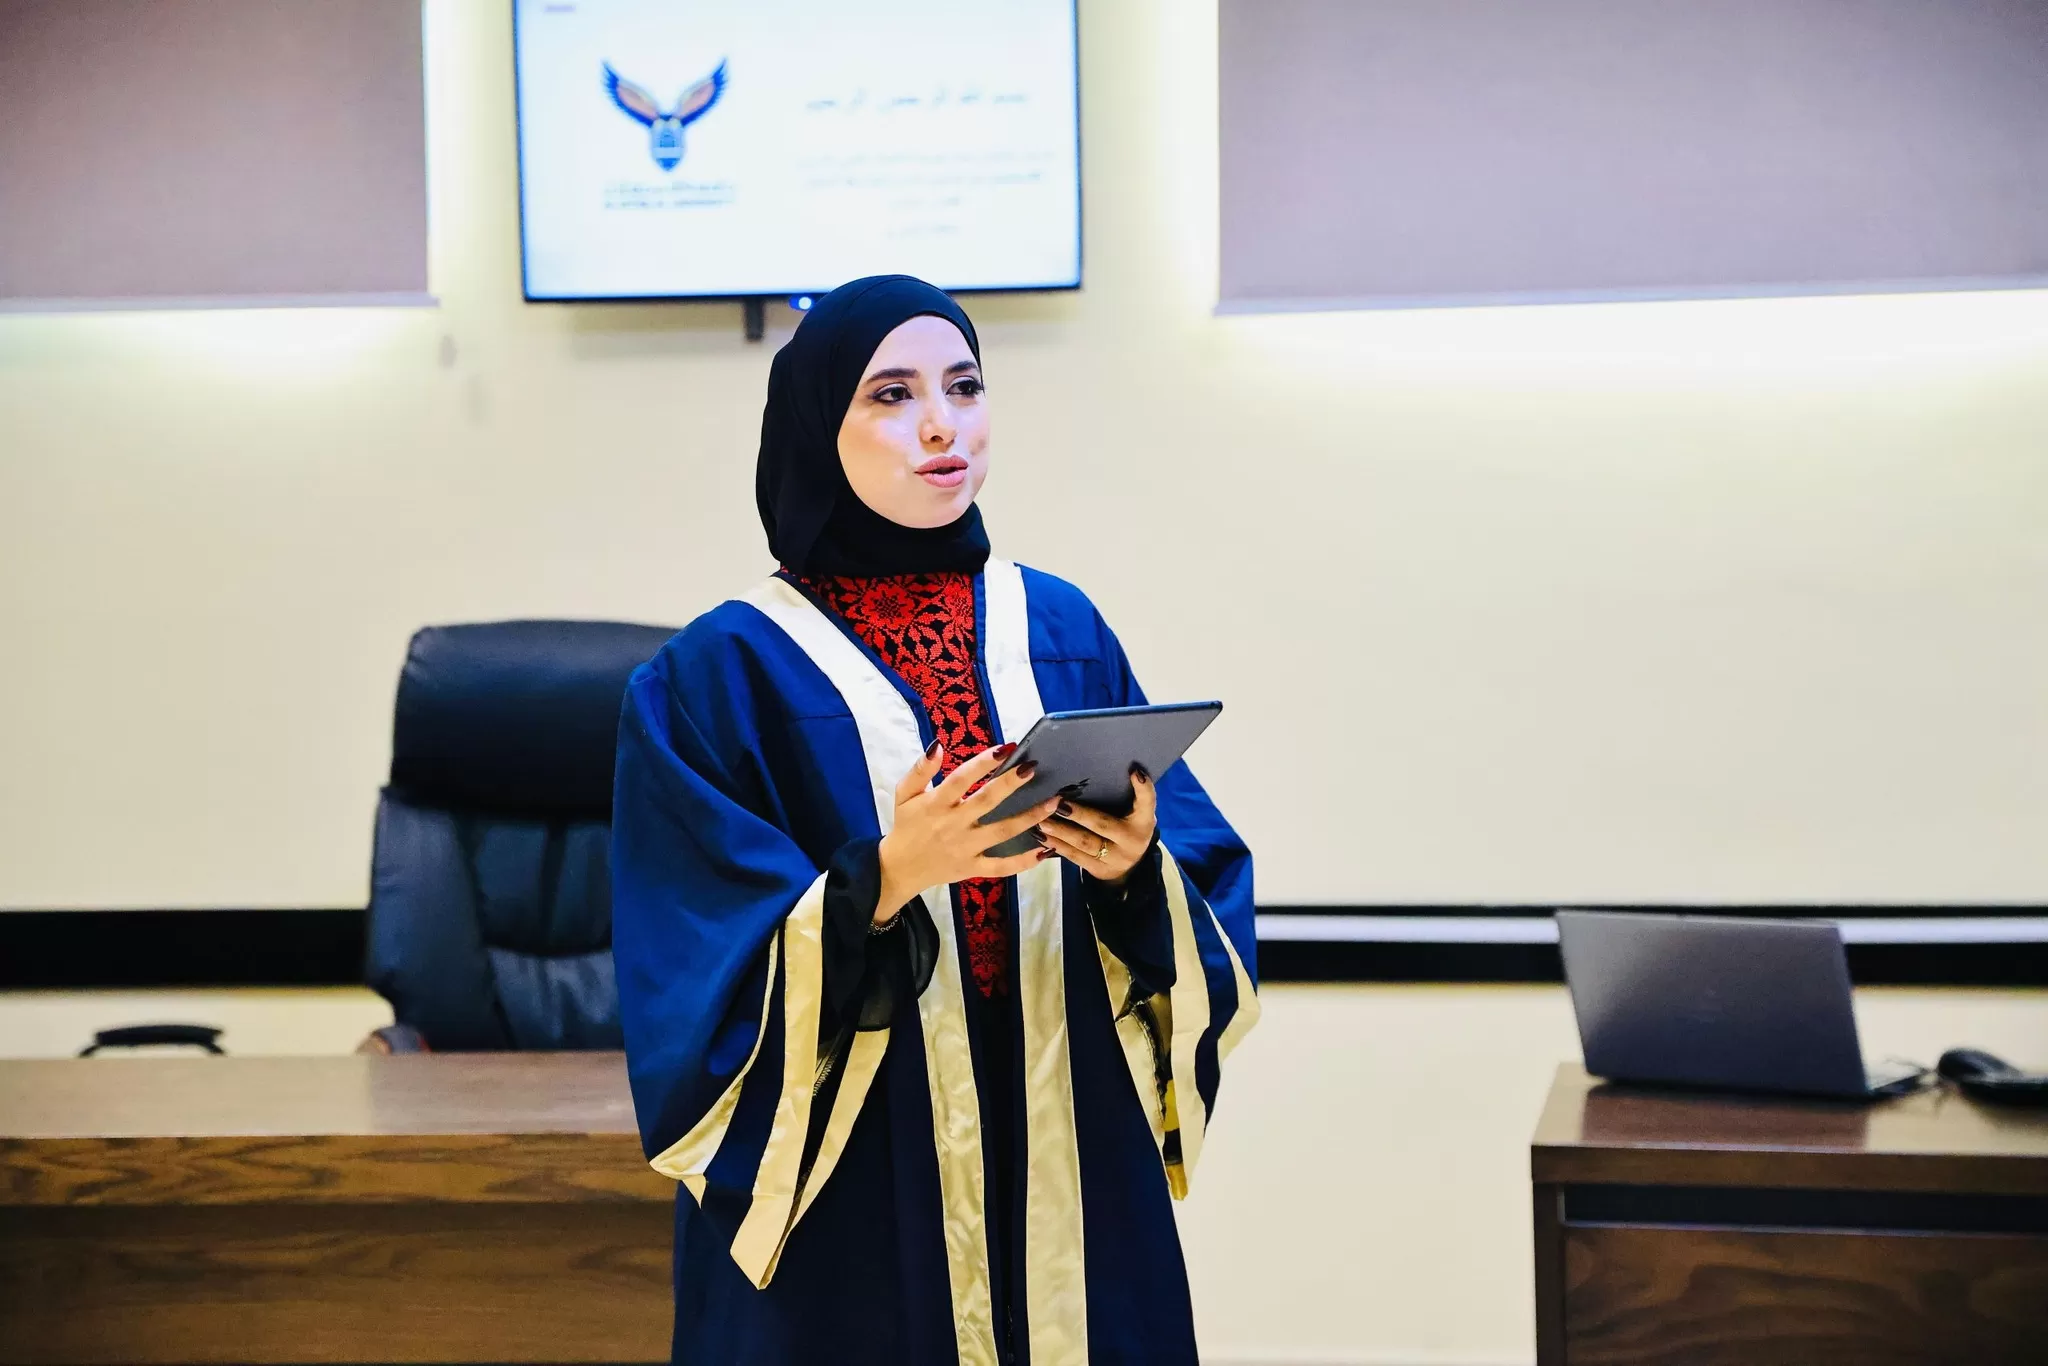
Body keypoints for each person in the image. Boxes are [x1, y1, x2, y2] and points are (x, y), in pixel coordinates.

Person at [611, 275, 1259, 1366]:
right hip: (857, 1185)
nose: (941, 425)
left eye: (963, 386)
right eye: (891, 394)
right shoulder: (718, 675)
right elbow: (690, 966)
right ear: (817, 428)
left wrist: (1131, 868)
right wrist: (887, 877)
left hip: (1065, 1150)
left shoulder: (1059, 627)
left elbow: (1197, 870)